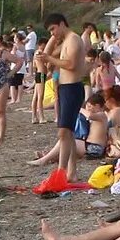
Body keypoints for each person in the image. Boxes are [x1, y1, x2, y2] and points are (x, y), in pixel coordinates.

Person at [40, 12, 89, 178]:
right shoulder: (65, 41)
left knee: (64, 132)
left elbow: (71, 64)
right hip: (64, 88)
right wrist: (53, 39)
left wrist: (49, 58)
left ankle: (61, 171)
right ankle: (71, 172)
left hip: (72, 88)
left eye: (53, 29)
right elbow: (44, 57)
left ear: (62, 24)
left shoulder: (74, 39)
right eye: (49, 31)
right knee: (67, 132)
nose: (52, 33)